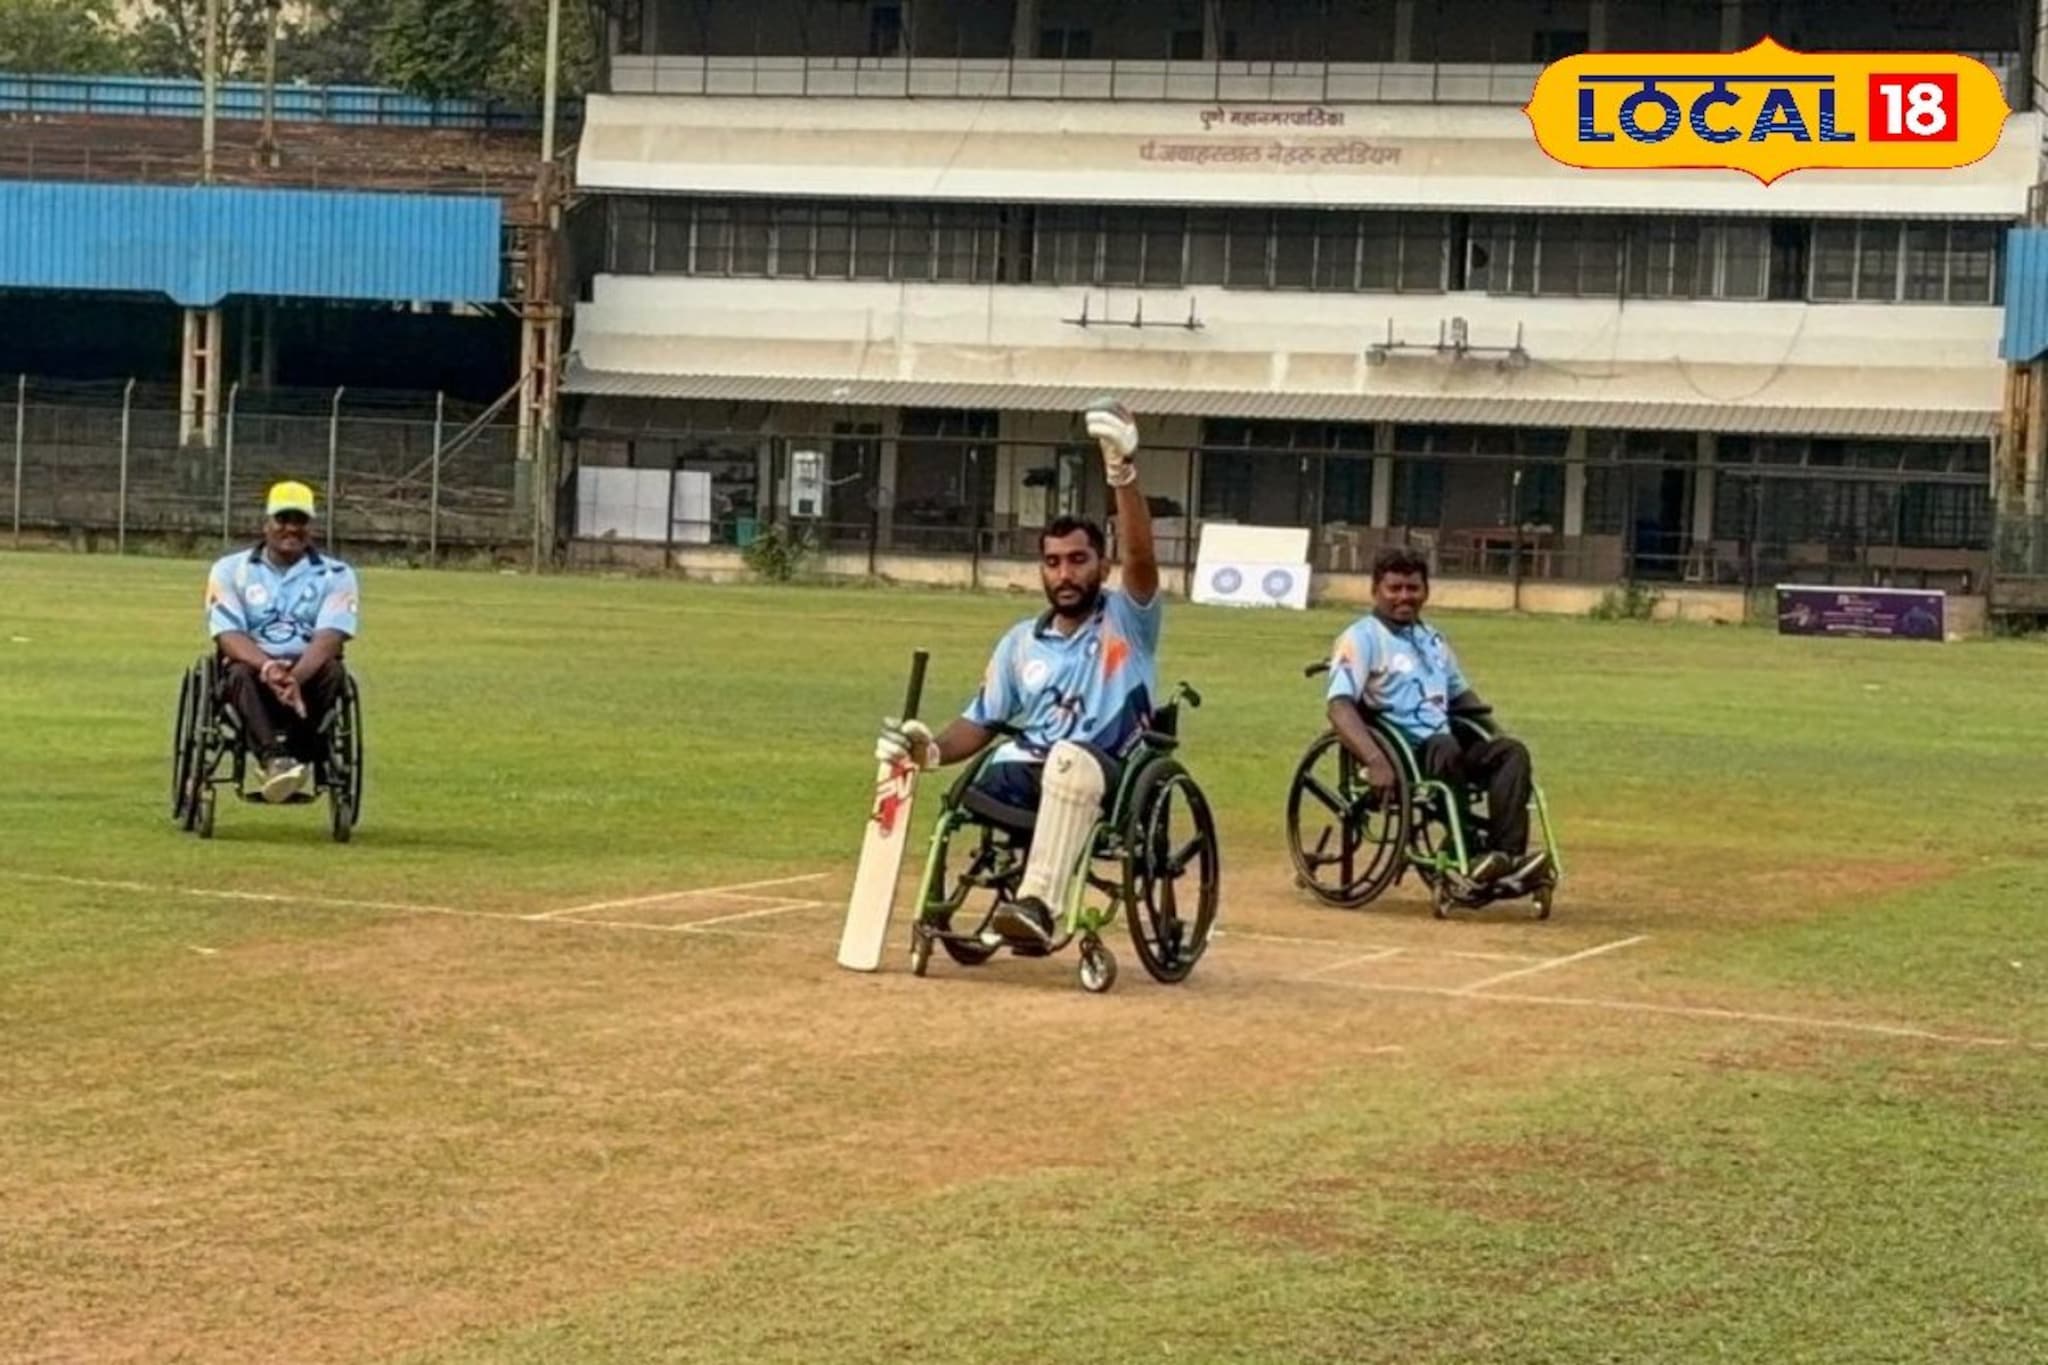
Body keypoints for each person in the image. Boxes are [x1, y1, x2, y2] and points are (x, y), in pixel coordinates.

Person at [876, 400, 1161, 948]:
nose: (1065, 573)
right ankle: (949, 906)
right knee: (1005, 767)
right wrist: (929, 750)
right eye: (1053, 562)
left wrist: (1121, 471)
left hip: (1103, 770)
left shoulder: (1129, 622)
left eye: (1079, 560)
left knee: (1068, 760)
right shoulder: (1019, 642)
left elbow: (1143, 556)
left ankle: (1039, 904)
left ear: (1101, 565)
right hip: (1024, 769)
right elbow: (982, 721)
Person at [1323, 546, 1546, 886]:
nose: (1404, 596)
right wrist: (1374, 759)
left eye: (1413, 588)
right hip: (1402, 750)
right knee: (1443, 745)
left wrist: (1494, 733)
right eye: (1394, 588)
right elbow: (1339, 705)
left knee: (1512, 752)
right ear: (1375, 591)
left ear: (1426, 591)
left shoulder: (1433, 640)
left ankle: (1506, 856)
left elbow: (1461, 696)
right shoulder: (1361, 637)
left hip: (1446, 744)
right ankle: (1466, 845)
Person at [204, 481, 361, 804]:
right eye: (282, 519)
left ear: (311, 527)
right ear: (266, 524)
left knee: (333, 672)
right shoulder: (229, 571)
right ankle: (274, 759)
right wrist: (269, 668)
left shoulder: (337, 575)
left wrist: (294, 678)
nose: (291, 528)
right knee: (238, 675)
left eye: (299, 520)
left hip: (308, 672)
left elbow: (331, 634)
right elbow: (228, 633)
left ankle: (301, 754)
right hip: (253, 669)